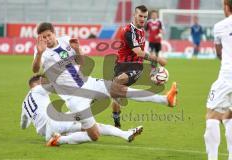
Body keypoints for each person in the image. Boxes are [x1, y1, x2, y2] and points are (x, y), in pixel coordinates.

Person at [32, 21, 177, 143]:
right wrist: (38, 54)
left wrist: (78, 50)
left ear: (54, 33)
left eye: (48, 35)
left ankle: (165, 99)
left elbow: (82, 61)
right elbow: (35, 69)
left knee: (118, 89)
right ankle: (59, 140)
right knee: (94, 135)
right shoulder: (41, 52)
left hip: (87, 83)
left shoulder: (66, 40)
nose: (47, 39)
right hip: (74, 97)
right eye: (43, 37)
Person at [21, 74, 143, 145]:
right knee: (94, 129)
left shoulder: (24, 104)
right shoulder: (37, 89)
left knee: (91, 127)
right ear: (36, 84)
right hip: (55, 123)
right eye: (43, 81)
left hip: (47, 131)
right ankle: (58, 140)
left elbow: (23, 125)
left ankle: (126, 134)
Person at [111, 5, 177, 128]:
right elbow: (139, 52)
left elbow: (139, 53)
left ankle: (166, 99)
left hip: (135, 67)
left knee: (116, 84)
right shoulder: (129, 31)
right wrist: (158, 59)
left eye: (145, 17)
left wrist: (153, 68)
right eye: (140, 16)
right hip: (120, 65)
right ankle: (116, 122)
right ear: (134, 15)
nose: (143, 19)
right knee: (115, 96)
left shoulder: (141, 30)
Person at [204, 1, 232, 160]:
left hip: (228, 75)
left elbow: (218, 53)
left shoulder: (220, 26)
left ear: (226, 7)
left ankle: (213, 158)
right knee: (229, 115)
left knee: (212, 115)